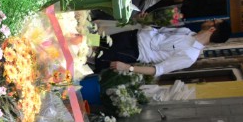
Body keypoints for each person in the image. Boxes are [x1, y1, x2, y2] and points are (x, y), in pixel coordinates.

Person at [93, 19, 231, 76]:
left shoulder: (190, 56)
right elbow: (159, 31)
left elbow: (158, 69)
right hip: (132, 34)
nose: (209, 20)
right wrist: (146, 21)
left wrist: (128, 68)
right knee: (92, 40)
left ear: (212, 29)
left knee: (92, 55)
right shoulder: (187, 32)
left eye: (213, 21)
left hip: (131, 51)